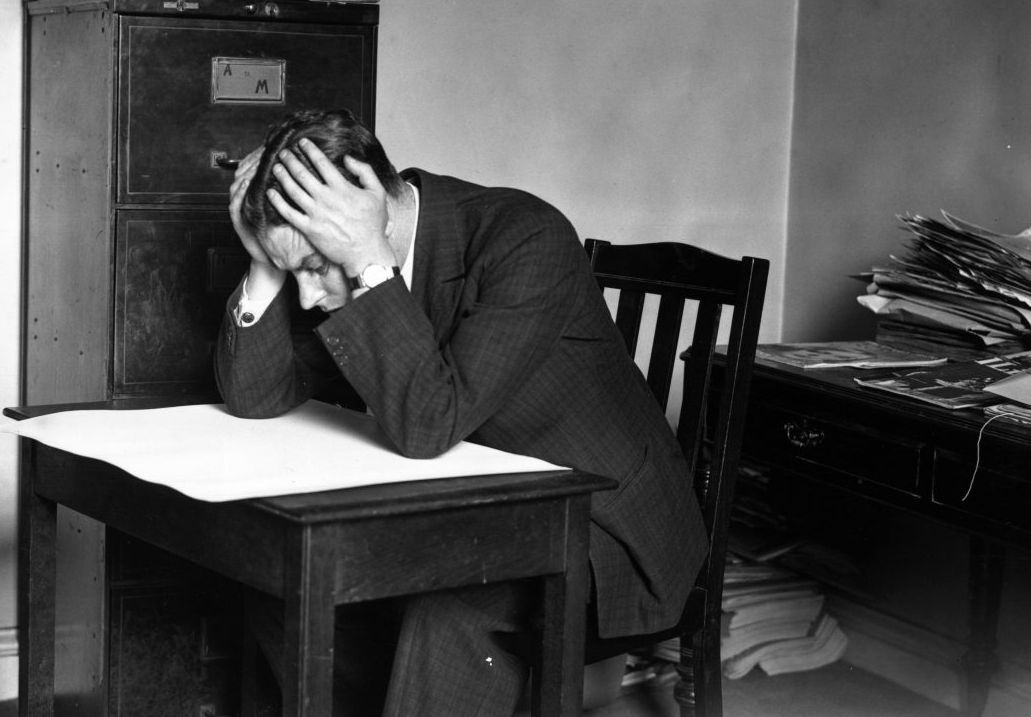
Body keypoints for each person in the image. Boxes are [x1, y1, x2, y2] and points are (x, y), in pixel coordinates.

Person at [214, 108, 708, 717]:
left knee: (449, 599)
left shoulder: (526, 238)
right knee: (284, 571)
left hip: (598, 524)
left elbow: (428, 427)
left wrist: (369, 265)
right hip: (465, 498)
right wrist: (266, 266)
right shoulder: (338, 255)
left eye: (315, 268)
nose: (310, 297)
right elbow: (256, 398)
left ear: (369, 213)